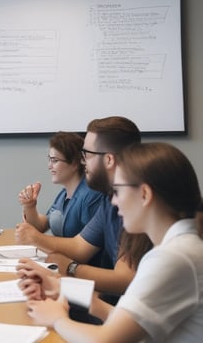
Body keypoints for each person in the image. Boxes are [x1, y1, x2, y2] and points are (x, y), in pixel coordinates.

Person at [18, 142, 203, 342]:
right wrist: (59, 286)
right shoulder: (182, 247)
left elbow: (105, 339)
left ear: (144, 194)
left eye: (118, 191)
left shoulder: (172, 257)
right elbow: (124, 317)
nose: (114, 202)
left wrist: (57, 319)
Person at [15, 117, 152, 298]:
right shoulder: (109, 198)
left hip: (117, 306)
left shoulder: (134, 203)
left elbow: (124, 279)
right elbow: (80, 245)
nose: (83, 162)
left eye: (87, 154)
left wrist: (70, 268)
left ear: (109, 159)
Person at [18, 132, 104, 239]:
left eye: (55, 160)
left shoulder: (91, 195)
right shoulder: (63, 194)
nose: (49, 166)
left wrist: (38, 240)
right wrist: (30, 206)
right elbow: (40, 226)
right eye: (49, 160)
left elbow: (86, 246)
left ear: (75, 163)